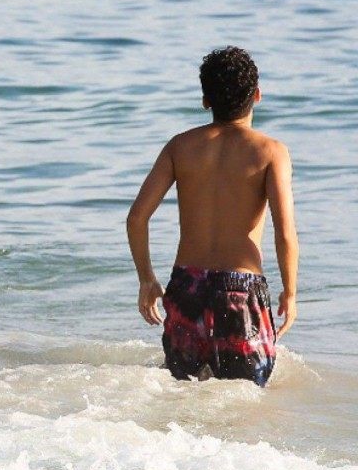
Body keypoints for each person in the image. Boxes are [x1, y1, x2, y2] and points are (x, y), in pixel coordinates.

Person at [127, 46, 298, 386]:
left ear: (206, 100)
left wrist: (147, 278)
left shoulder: (180, 146)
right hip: (241, 290)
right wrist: (290, 292)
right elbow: (285, 234)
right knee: (243, 399)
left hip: (187, 286)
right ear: (258, 95)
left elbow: (137, 218)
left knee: (183, 391)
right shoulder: (270, 152)